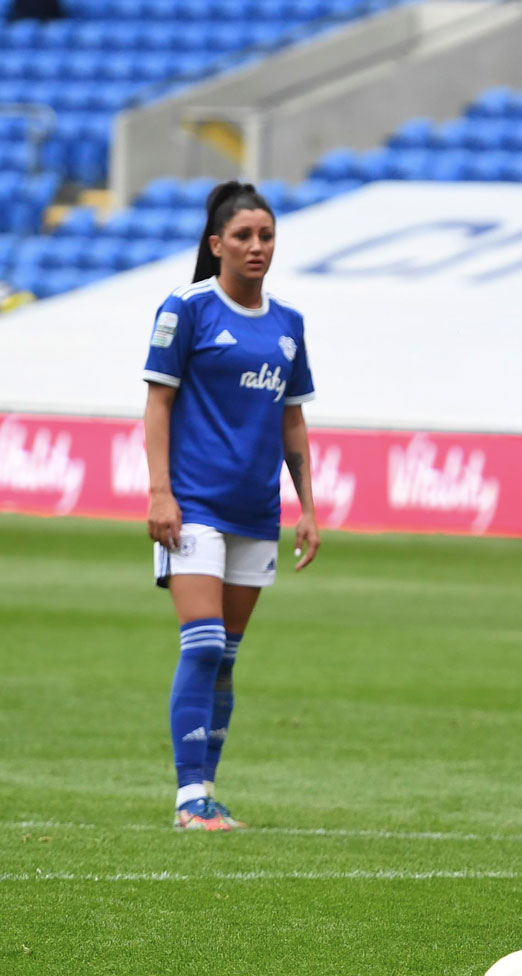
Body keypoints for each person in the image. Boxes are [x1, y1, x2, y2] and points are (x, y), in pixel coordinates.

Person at [141, 180, 319, 831]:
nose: (256, 247)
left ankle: (206, 791)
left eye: (266, 235)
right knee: (205, 643)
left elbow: (291, 422)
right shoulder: (187, 309)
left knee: (229, 655)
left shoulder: (288, 325)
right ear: (216, 244)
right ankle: (189, 799)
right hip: (194, 508)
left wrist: (307, 507)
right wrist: (160, 492)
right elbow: (157, 403)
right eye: (243, 236)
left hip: (255, 514)